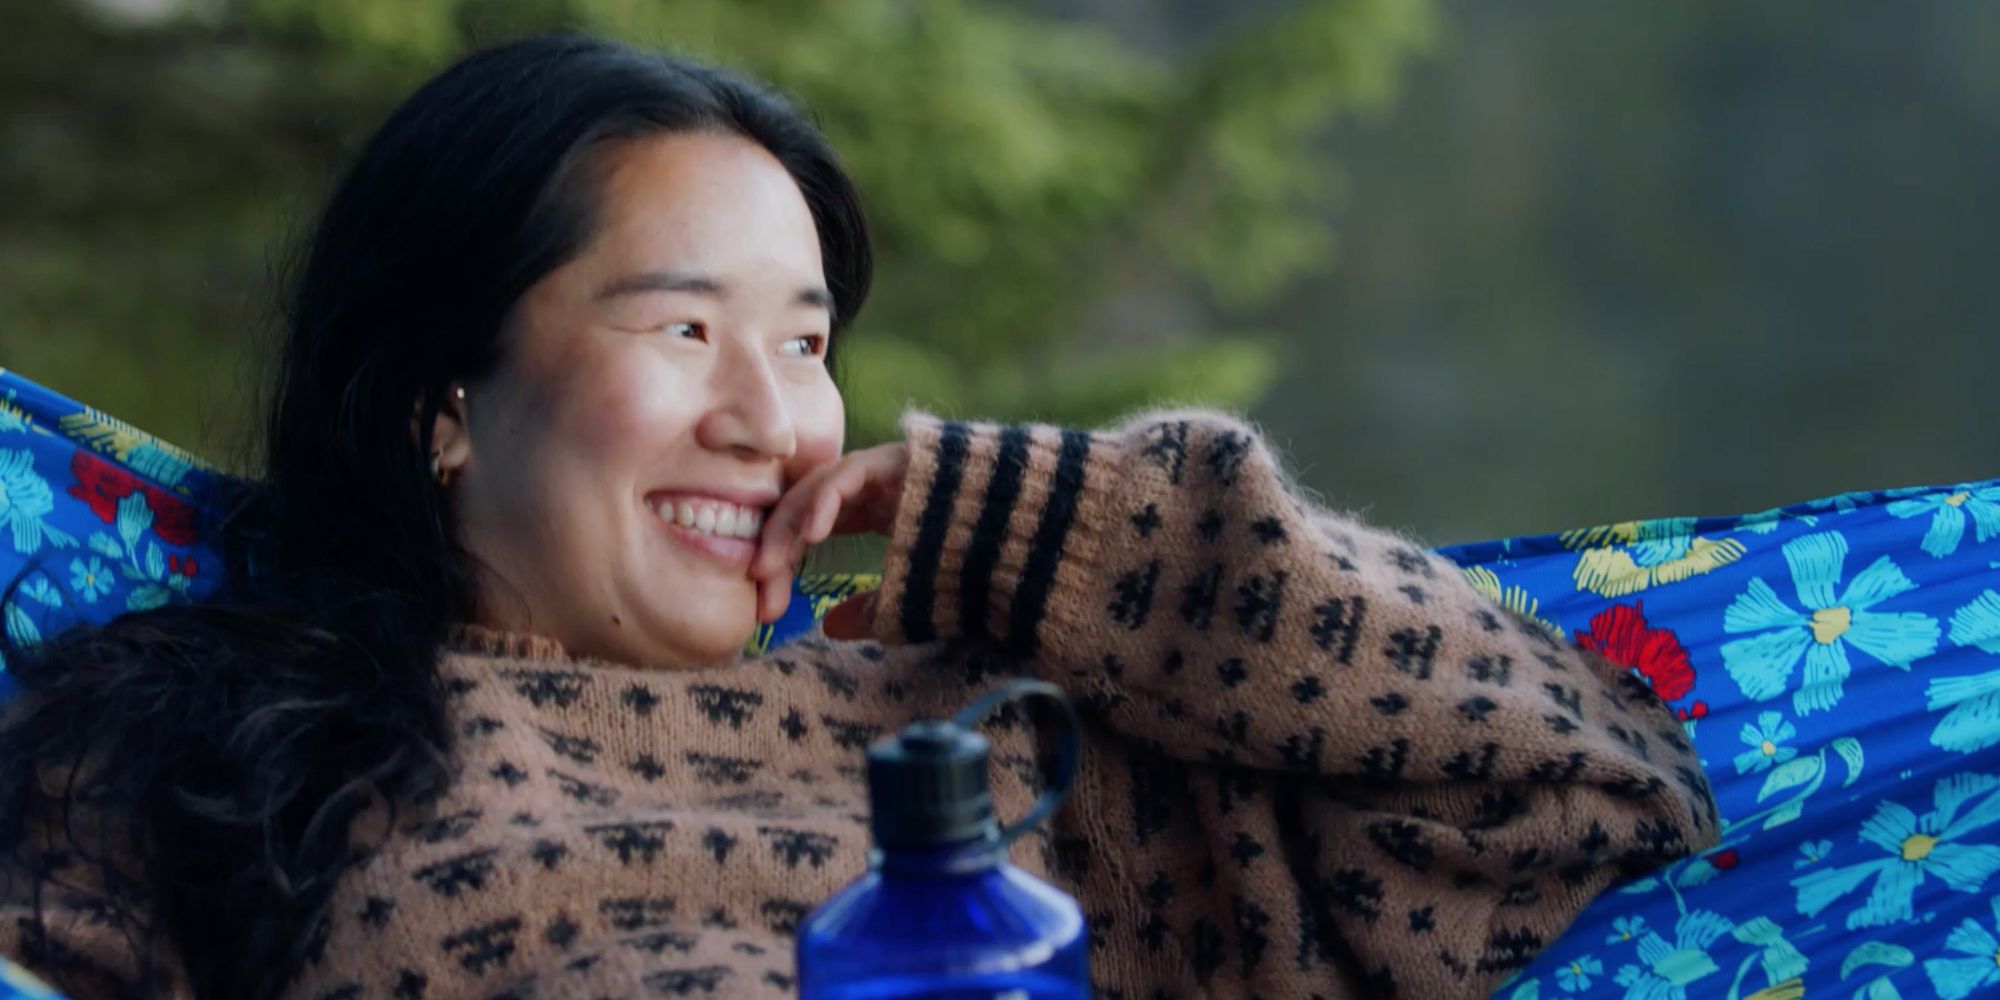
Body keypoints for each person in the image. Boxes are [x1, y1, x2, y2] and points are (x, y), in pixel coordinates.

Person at [0, 33, 1717, 1000]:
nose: (771, 419)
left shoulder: (986, 741)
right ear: (440, 403)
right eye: (684, 330)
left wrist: (1074, 537)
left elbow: (1583, 790)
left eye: (807, 344)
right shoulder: (215, 747)